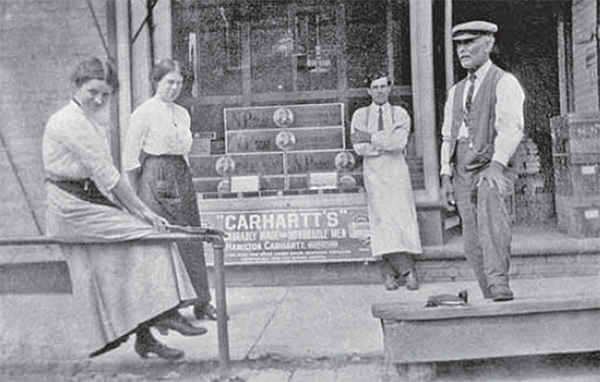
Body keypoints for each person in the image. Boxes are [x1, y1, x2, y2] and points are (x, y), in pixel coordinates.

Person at [43, 57, 208, 361]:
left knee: (127, 263)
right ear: (77, 86)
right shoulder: (70, 122)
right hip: (71, 207)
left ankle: (146, 337)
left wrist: (128, 208)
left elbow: (103, 180)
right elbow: (108, 174)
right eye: (93, 91)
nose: (99, 99)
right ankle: (165, 311)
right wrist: (142, 210)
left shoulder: (90, 120)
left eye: (105, 94)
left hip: (86, 200)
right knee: (150, 235)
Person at [123, 59, 218, 321]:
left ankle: (202, 301)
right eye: (169, 82)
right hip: (154, 178)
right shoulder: (143, 113)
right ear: (157, 82)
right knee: (163, 243)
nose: (174, 87)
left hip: (180, 175)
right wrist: (135, 202)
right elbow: (130, 158)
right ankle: (166, 308)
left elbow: (183, 152)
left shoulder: (182, 114)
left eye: (179, 82)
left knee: (191, 239)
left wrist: (186, 179)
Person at [440, 21, 525, 301]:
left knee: (492, 224)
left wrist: (497, 166)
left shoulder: (504, 82)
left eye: (469, 42)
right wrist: (445, 176)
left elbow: (511, 128)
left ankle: (500, 284)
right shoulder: (456, 91)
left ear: (488, 44)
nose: (462, 50)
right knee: (471, 237)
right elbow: (447, 136)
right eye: (459, 44)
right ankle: (489, 293)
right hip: (462, 166)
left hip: (491, 162)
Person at [351, 71, 421, 291]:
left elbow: (399, 144)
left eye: (383, 86)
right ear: (368, 91)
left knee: (399, 220)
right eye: (376, 87)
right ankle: (405, 271)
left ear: (390, 89)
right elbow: (359, 147)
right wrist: (383, 141)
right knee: (381, 221)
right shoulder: (360, 115)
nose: (380, 91)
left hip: (397, 173)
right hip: (374, 174)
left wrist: (371, 138)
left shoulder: (400, 113)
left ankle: (392, 272)